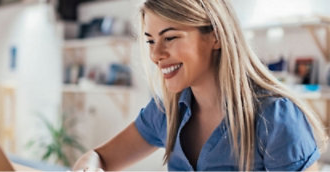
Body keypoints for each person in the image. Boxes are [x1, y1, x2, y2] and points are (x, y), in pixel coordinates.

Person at [73, 0, 328, 171]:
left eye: (170, 38)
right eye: (150, 41)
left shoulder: (276, 118)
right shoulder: (165, 111)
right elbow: (101, 157)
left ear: (215, 36)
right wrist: (88, 164)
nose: (156, 55)